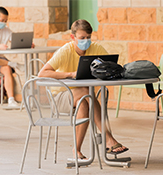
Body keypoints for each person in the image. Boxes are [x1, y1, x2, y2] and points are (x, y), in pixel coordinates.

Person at [38, 19, 128, 159]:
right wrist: (70, 74)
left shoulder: (96, 48)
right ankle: (108, 138)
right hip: (60, 96)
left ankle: (77, 150)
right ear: (73, 37)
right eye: (82, 38)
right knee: (86, 93)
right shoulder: (65, 51)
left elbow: (110, 65)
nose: (86, 41)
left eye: (88, 37)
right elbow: (42, 73)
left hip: (83, 97)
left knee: (84, 103)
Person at [0, 6, 33, 107]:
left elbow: (16, 42)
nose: (3, 23)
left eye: (6, 21)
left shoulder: (7, 30)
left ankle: (11, 100)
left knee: (7, 69)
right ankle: (13, 64)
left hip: (0, 61)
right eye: (2, 20)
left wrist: (28, 44)